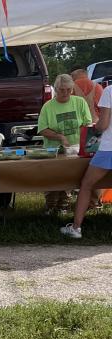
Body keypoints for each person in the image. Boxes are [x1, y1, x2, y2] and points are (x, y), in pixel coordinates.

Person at [61, 84, 112, 238]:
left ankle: (76, 228)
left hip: (108, 148)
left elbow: (103, 125)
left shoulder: (109, 91)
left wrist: (95, 127)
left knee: (86, 185)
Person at [38, 74, 93, 214]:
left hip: (76, 148)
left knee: (69, 177)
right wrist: (60, 137)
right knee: (53, 178)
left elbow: (87, 124)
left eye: (69, 89)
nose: (66, 93)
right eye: (62, 90)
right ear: (56, 89)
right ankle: (51, 205)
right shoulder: (48, 107)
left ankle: (65, 204)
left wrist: (83, 142)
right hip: (53, 150)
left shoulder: (79, 102)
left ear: (72, 89)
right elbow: (42, 129)